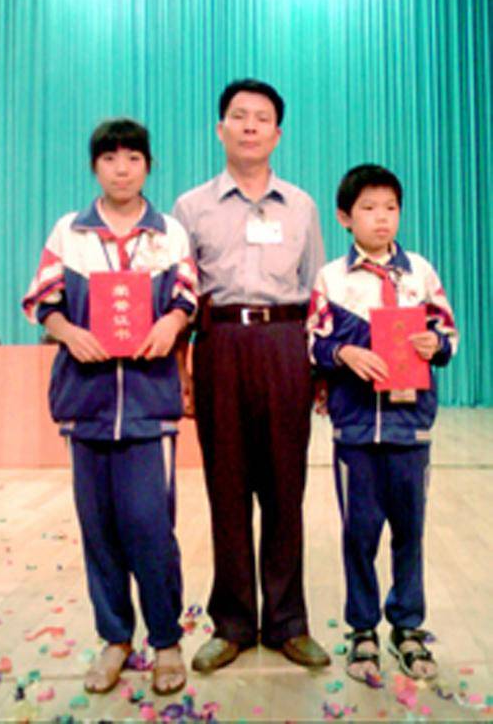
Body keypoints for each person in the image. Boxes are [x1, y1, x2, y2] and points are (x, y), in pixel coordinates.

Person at [22, 118, 197, 696]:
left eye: (133, 158)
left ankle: (166, 640)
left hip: (149, 407)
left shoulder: (169, 234)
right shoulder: (69, 232)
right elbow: (42, 300)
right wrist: (68, 333)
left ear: (149, 165)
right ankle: (115, 639)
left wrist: (172, 322)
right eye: (110, 159)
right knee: (98, 531)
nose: (122, 169)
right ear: (94, 167)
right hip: (86, 403)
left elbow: (188, 296)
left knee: (150, 528)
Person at [173, 79, 329, 672]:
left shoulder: (302, 205)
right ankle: (233, 623)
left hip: (287, 345)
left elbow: (317, 289)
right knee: (228, 487)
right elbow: (181, 296)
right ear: (220, 129)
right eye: (238, 117)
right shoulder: (191, 207)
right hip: (220, 345)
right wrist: (183, 369)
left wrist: (317, 366)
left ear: (277, 134)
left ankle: (288, 622)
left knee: (286, 487)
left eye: (261, 118)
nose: (249, 127)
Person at [307, 164, 458, 683]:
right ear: (344, 217)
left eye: (390, 208)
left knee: (409, 532)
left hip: (410, 428)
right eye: (368, 208)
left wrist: (435, 344)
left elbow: (449, 334)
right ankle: (363, 629)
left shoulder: (421, 273)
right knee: (360, 534)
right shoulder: (331, 279)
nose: (381, 218)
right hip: (355, 430)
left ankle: (408, 627)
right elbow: (313, 342)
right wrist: (343, 352)